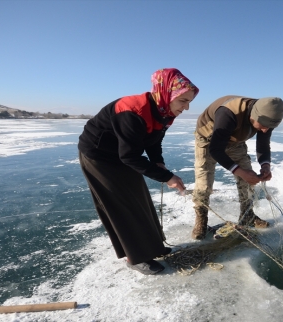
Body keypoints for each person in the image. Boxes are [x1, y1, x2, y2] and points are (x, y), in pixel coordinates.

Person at [78, 68, 199, 275]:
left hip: (123, 154)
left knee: (139, 198)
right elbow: (130, 157)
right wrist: (167, 177)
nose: (186, 107)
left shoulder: (164, 111)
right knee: (122, 205)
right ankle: (135, 258)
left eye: (189, 102)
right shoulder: (131, 111)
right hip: (100, 157)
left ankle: (153, 247)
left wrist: (158, 162)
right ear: (167, 93)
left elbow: (153, 140)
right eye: (183, 101)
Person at [191, 96, 283, 240]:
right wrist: (240, 172)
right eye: (262, 126)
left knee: (248, 181)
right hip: (208, 140)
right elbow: (215, 150)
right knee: (204, 185)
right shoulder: (228, 113)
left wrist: (265, 165)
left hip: (235, 141)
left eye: (269, 128)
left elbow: (263, 144)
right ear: (253, 115)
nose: (265, 130)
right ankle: (201, 221)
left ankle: (247, 215)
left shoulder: (267, 117)